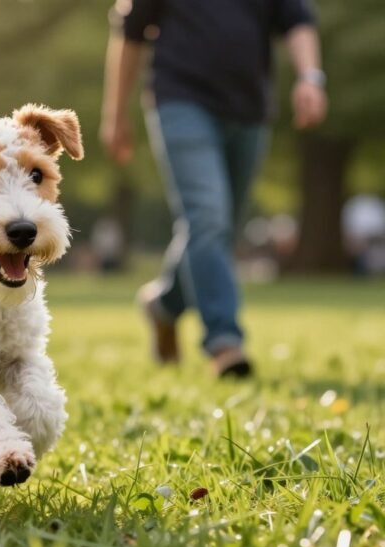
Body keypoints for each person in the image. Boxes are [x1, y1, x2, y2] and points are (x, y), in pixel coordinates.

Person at [100, 0, 327, 378]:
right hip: (180, 101)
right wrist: (116, 114)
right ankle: (224, 341)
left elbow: (298, 20)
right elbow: (131, 33)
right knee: (207, 216)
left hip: (250, 110)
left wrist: (310, 77)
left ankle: (165, 304)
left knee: (218, 227)